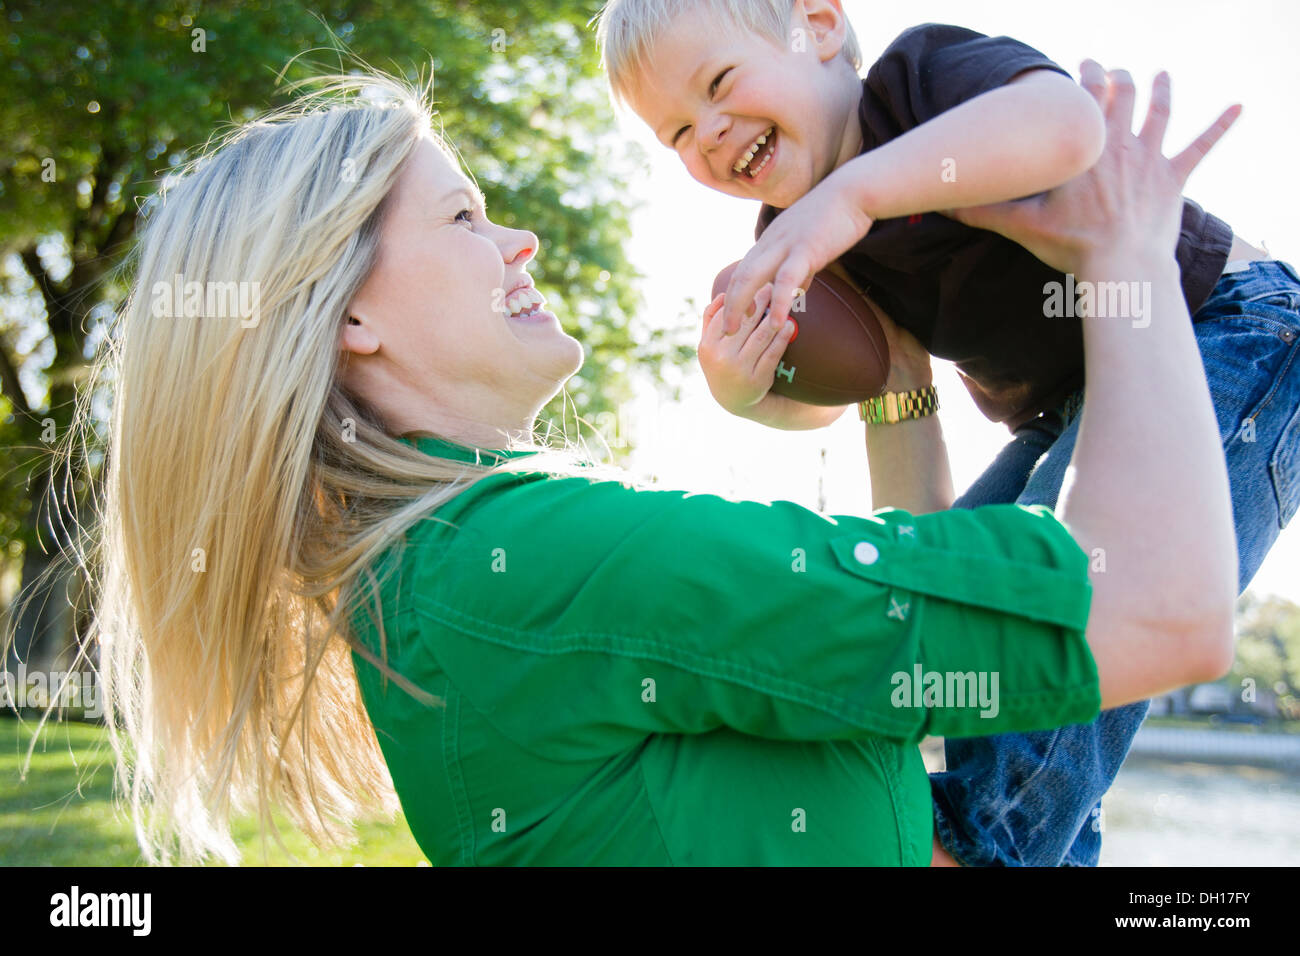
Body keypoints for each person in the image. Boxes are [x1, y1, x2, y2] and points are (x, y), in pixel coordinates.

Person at [19, 63, 1233, 866]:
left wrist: (900, 379)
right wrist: (1126, 254)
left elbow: (916, 684)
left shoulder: (431, 583)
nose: (520, 236)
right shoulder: (542, 563)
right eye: (462, 216)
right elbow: (1158, 610)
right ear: (349, 319)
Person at [595, 0, 1300, 865]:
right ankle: (1032, 840)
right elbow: (861, 392)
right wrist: (748, 395)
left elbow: (1063, 124)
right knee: (954, 590)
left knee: (1063, 600)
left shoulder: (916, 84)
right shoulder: (803, 236)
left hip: (1226, 327)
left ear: (817, 27)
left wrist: (855, 195)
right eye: (676, 134)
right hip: (1073, 410)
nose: (707, 134)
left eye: (719, 84)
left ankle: (976, 842)